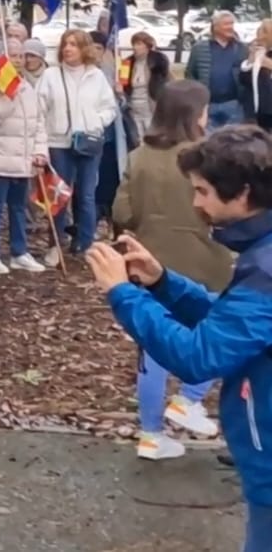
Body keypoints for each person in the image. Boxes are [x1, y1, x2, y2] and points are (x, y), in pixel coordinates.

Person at [88, 126, 272, 550]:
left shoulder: (265, 268)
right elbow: (233, 327)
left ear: (242, 193)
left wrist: (123, 293)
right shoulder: (260, 254)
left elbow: (198, 356)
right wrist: (162, 283)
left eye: (204, 191)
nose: (196, 203)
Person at [111, 80, 229, 460]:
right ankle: (190, 398)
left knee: (153, 346)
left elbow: (121, 213)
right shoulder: (207, 158)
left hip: (150, 257)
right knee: (223, 331)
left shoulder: (139, 155)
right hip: (204, 258)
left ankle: (150, 435)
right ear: (195, 115)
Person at [41, 30, 119, 265]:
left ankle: (85, 243)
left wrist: (94, 122)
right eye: (65, 44)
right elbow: (40, 108)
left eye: (74, 44)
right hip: (58, 142)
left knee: (86, 195)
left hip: (88, 141)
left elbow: (109, 108)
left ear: (84, 48)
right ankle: (56, 244)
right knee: (59, 197)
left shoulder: (96, 76)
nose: (68, 49)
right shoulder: (51, 75)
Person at [0, 37, 50, 275]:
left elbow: (38, 122)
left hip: (23, 159)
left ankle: (19, 252)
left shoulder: (27, 86)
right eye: (12, 55)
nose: (17, 61)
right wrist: (7, 97)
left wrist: (40, 151)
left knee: (18, 207)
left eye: (20, 56)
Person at [185, 11, 248, 129]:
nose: (230, 27)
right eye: (226, 24)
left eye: (232, 24)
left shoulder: (241, 48)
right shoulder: (199, 48)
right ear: (215, 27)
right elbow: (190, 74)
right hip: (208, 106)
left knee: (234, 141)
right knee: (208, 142)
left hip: (233, 104)